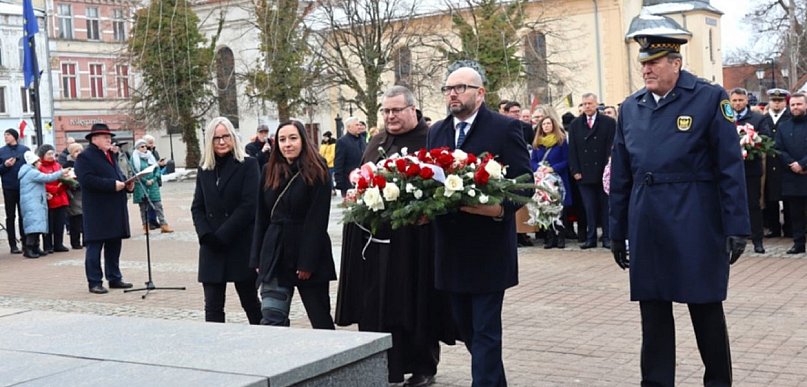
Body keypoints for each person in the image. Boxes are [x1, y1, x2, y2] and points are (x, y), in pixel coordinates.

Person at [609, 31, 750, 386]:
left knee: (704, 307)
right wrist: (616, 231)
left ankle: (718, 381)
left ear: (676, 63)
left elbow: (729, 167)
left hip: (695, 218)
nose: (646, 69)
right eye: (643, 63)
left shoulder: (708, 98)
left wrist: (737, 226)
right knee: (653, 310)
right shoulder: (631, 107)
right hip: (648, 220)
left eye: (654, 62)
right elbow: (622, 174)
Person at [336, 86, 456, 386]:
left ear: (413, 110)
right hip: (375, 242)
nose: (390, 116)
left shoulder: (429, 139)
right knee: (378, 304)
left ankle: (422, 366)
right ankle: (385, 367)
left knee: (416, 302)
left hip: (414, 242)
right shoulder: (376, 140)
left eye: (396, 110)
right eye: (386, 111)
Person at [427, 67, 531, 386]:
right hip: (450, 248)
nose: (452, 94)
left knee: (486, 331)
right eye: (448, 88)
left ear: (480, 93)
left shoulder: (504, 128)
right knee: (466, 328)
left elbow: (523, 183)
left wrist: (499, 208)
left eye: (460, 87)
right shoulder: (437, 131)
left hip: (488, 250)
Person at [250, 120, 336, 329]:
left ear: (303, 141)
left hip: (308, 253)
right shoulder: (268, 170)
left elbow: (317, 220)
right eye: (282, 139)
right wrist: (258, 257)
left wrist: (307, 262)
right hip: (275, 252)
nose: (287, 144)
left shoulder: (318, 170)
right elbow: (261, 217)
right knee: (272, 319)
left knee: (320, 320)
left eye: (293, 138)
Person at [191, 117, 262, 324]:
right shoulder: (205, 169)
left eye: (225, 137)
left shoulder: (248, 164)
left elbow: (249, 205)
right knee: (212, 306)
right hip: (211, 245)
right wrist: (205, 235)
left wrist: (223, 235)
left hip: (240, 242)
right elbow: (198, 206)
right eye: (216, 138)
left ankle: (263, 339)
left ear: (233, 137)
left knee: (250, 301)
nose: (221, 142)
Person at [75, 123, 135, 294]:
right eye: (105, 137)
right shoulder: (85, 157)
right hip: (97, 210)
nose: (109, 139)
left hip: (114, 207)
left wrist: (127, 185)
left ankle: (114, 278)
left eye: (110, 137)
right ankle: (94, 281)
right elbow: (86, 180)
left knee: (114, 244)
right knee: (95, 246)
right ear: (94, 139)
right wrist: (111, 185)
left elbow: (117, 175)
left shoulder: (110, 155)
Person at [568, 92, 615, 249]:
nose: (587, 106)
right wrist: (575, 170)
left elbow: (611, 147)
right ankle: (591, 237)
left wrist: (609, 168)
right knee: (589, 207)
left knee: (605, 206)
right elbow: (572, 150)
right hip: (584, 173)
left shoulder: (608, 123)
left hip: (603, 171)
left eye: (590, 103)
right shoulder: (575, 124)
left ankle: (607, 237)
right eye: (584, 104)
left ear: (596, 104)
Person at [731, 87, 766, 253]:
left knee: (753, 204)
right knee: (731, 203)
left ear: (746, 100)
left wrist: (751, 143)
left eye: (740, 100)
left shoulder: (758, 118)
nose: (737, 104)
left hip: (751, 168)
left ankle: (757, 239)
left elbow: (766, 140)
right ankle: (734, 237)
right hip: (729, 169)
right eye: (735, 100)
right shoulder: (725, 116)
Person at [18, 151, 70, 258]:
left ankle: (36, 248)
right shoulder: (32, 172)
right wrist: (61, 172)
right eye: (38, 161)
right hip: (33, 203)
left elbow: (35, 187)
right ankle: (29, 248)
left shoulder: (28, 172)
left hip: (34, 201)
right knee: (34, 226)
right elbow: (47, 178)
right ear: (34, 162)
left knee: (36, 225)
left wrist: (44, 193)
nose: (40, 163)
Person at [531, 116, 572, 249]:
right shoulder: (537, 143)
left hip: (558, 180)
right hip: (543, 181)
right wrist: (539, 168)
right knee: (545, 207)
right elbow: (531, 160)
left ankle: (561, 236)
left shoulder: (561, 141)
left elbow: (567, 160)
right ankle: (550, 237)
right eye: (543, 124)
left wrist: (553, 168)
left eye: (548, 123)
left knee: (559, 208)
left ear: (553, 125)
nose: (546, 126)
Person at [774, 93, 807, 254]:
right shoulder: (783, 126)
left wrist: (802, 164)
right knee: (795, 213)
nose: (796, 107)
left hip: (805, 171)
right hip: (791, 176)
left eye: (799, 104)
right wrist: (792, 164)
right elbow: (778, 148)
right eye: (793, 105)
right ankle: (798, 243)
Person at [761, 88, 792, 238]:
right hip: (768, 162)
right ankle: (774, 227)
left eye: (780, 101)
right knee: (770, 196)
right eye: (774, 101)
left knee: (787, 196)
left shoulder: (789, 117)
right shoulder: (764, 118)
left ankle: (789, 227)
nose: (777, 104)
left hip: (784, 162)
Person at [131, 139, 174, 233]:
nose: (145, 148)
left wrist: (154, 179)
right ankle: (145, 226)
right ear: (137, 148)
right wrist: (145, 181)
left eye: (145, 146)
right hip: (142, 185)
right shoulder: (134, 158)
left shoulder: (150, 156)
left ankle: (164, 225)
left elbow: (157, 169)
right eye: (142, 146)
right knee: (143, 207)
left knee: (158, 205)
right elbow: (135, 172)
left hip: (153, 185)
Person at [0, 128, 30, 254]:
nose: (6, 137)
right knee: (10, 216)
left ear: (14, 136)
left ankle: (25, 242)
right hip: (8, 187)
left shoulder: (24, 150)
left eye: (8, 135)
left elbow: (31, 166)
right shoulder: (1, 151)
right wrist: (5, 165)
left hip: (23, 186)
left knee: (24, 216)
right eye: (4, 135)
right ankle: (13, 244)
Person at [37, 144, 70, 253]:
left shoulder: (58, 165)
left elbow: (64, 179)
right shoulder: (40, 167)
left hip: (61, 198)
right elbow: (42, 183)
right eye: (49, 154)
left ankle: (58, 244)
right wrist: (55, 189)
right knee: (48, 224)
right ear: (42, 155)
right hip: (49, 199)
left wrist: (65, 183)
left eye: (53, 153)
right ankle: (48, 245)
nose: (52, 156)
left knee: (60, 223)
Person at [333, 117, 366, 197]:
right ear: (348, 127)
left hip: (363, 181)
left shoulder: (362, 139)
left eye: (359, 125)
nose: (359, 127)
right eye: (356, 125)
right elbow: (338, 163)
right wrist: (339, 182)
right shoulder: (342, 142)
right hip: (348, 182)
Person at [63, 143, 84, 249]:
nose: (79, 153)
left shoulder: (85, 162)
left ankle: (87, 240)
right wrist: (73, 184)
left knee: (85, 219)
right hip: (73, 195)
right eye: (76, 151)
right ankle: (75, 242)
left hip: (84, 193)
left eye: (80, 150)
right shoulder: (67, 165)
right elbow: (65, 178)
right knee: (75, 219)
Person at [318, 131, 337, 195]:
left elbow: (332, 155)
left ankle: (332, 189)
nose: (324, 138)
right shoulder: (323, 144)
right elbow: (320, 153)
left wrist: (326, 161)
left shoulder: (333, 145)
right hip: (322, 163)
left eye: (326, 137)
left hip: (330, 164)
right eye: (324, 137)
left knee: (329, 177)